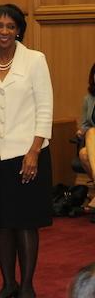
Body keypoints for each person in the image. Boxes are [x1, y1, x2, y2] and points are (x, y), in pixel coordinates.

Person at [0, 4, 53, 298]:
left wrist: (34, 151)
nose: (4, 31)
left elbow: (45, 108)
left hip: (27, 153)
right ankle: (8, 283)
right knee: (0, 221)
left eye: (10, 26)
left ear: (19, 29)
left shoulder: (35, 60)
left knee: (25, 221)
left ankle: (28, 285)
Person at [76, 63, 95, 221]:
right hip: (92, 142)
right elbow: (85, 123)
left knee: (91, 132)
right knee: (83, 153)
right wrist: (81, 130)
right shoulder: (88, 99)